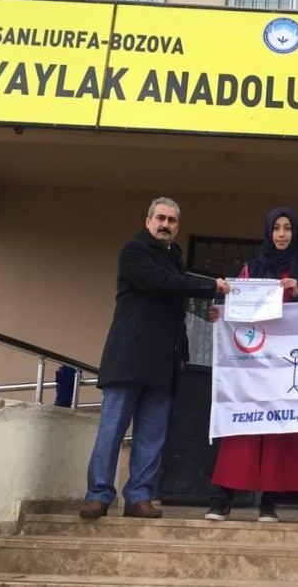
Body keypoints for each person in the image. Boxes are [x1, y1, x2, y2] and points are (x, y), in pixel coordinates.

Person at [80, 197, 229, 519]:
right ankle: (99, 495)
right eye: (161, 218)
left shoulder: (174, 258)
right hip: (129, 357)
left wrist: (188, 345)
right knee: (112, 429)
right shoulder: (134, 251)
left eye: (172, 220)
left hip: (163, 362)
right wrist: (211, 285)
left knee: (151, 435)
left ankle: (139, 497)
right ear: (148, 221)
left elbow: (176, 306)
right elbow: (163, 284)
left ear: (177, 227)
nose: (165, 224)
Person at [205, 207, 298, 523]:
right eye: (276, 228)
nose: (282, 234)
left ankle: (269, 501)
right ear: (268, 233)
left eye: (287, 228)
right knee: (240, 426)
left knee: (278, 432)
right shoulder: (252, 269)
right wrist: (220, 313)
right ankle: (224, 497)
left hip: (288, 368)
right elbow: (235, 308)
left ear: (295, 233)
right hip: (251, 365)